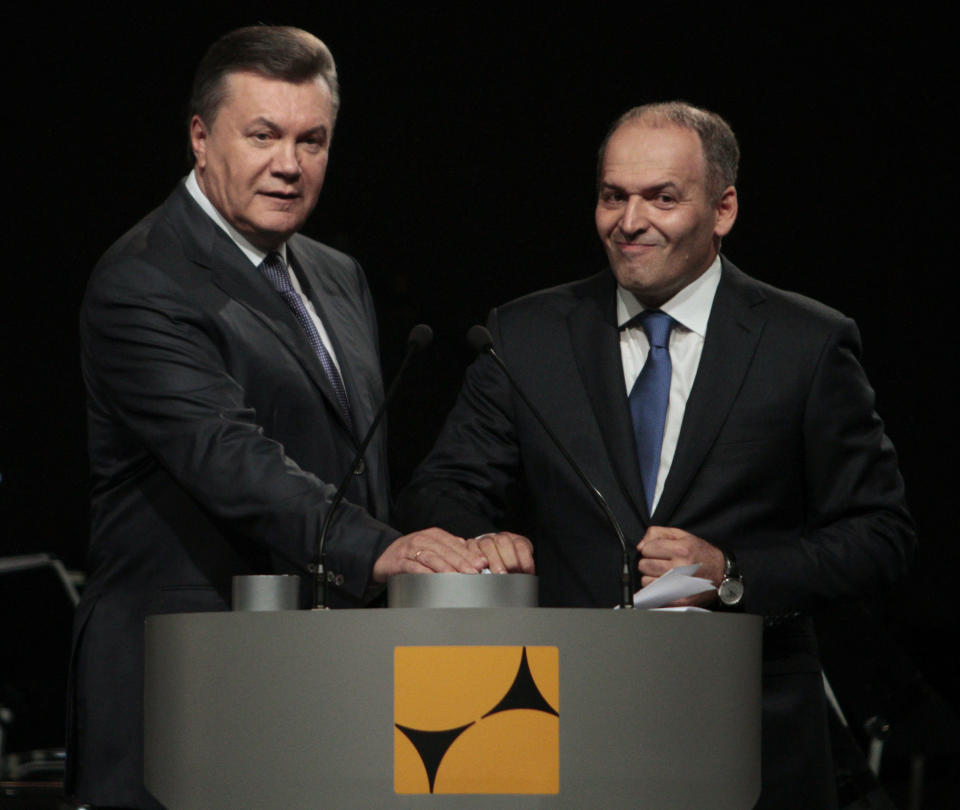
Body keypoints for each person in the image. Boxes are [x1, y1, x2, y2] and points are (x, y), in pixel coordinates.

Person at [397, 101, 916, 808]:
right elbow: (443, 486)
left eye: (662, 198)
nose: (629, 221)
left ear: (723, 209)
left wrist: (732, 574)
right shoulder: (525, 335)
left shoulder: (807, 344)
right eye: (614, 196)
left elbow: (881, 537)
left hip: (748, 729)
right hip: (554, 718)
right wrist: (479, 537)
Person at [67, 25, 502, 810]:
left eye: (313, 140)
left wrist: (452, 545)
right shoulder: (143, 280)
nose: (290, 164)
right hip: (187, 683)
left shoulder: (337, 277)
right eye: (262, 135)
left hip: (325, 681)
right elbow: (229, 457)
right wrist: (384, 551)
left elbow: (359, 469)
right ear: (201, 138)